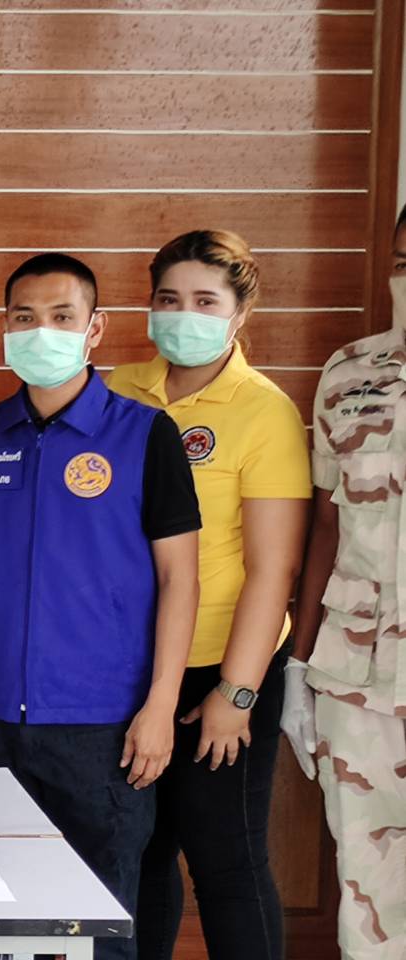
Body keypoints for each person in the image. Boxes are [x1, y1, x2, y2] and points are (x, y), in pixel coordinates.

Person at [0, 253, 200, 960]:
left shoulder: (145, 434)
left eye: (63, 316)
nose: (43, 331)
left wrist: (161, 706)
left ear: (95, 329)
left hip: (103, 728)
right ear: (5, 328)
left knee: (101, 929)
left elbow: (180, 580)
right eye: (25, 317)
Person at [109, 231, 308, 960]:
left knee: (227, 861)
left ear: (239, 314)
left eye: (204, 301)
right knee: (141, 854)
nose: (182, 315)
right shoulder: (119, 388)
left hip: (222, 668)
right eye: (168, 299)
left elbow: (273, 570)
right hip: (130, 666)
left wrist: (237, 692)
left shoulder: (263, 411)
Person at [286, 205, 406, 959]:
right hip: (357, 677)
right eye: (404, 263)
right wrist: (298, 666)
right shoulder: (351, 372)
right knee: (367, 887)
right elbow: (325, 525)